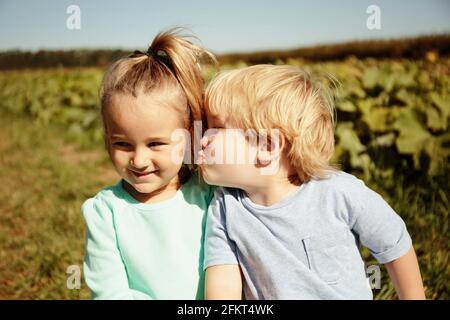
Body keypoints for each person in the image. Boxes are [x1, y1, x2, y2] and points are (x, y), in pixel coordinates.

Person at [199, 64, 425, 300]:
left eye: (216, 128)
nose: (202, 139)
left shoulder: (339, 193)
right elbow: (223, 282)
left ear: (266, 146)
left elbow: (394, 244)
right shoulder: (225, 206)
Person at [82, 30, 214, 299]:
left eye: (155, 144)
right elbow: (111, 293)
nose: (139, 161)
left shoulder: (210, 195)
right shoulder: (104, 213)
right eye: (123, 144)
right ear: (107, 139)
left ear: (189, 135)